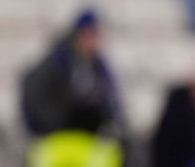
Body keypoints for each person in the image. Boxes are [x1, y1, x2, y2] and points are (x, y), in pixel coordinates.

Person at [21, 9, 123, 138]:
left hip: (88, 140)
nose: (93, 41)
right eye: (88, 34)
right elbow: (35, 99)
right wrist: (59, 122)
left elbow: (113, 105)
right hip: (56, 138)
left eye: (96, 35)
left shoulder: (100, 69)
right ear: (77, 35)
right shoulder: (56, 63)